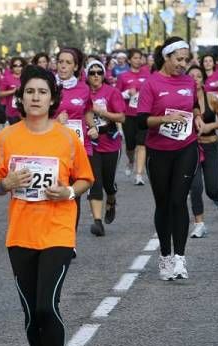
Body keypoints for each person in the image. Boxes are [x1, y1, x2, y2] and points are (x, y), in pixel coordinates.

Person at [0, 65, 93, 346]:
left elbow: (85, 179)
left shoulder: (66, 138)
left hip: (57, 231)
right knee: (30, 313)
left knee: (47, 305)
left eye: (42, 92)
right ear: (21, 97)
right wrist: (5, 185)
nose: (36, 97)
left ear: (52, 98)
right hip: (21, 234)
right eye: (30, 91)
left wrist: (69, 193)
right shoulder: (7, 138)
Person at [137, 37, 204, 281]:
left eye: (186, 60)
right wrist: (164, 120)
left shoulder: (188, 81)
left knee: (179, 201)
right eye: (178, 59)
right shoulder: (151, 84)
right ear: (166, 57)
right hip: (159, 150)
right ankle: (165, 256)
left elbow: (194, 105)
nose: (183, 64)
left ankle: (180, 259)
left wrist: (196, 116)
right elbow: (141, 120)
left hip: (185, 147)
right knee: (163, 204)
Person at [54, 47, 97, 238]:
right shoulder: (48, 87)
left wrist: (92, 125)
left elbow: (87, 110)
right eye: (60, 62)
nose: (63, 66)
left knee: (74, 194)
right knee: (56, 192)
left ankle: (69, 239)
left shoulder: (84, 88)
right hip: (54, 147)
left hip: (80, 145)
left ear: (76, 66)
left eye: (68, 63)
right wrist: (55, 122)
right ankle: (57, 233)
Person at [186, 65, 218, 238]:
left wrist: (210, 125)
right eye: (191, 76)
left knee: (211, 189)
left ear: (203, 80)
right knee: (195, 187)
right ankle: (199, 224)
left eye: (198, 76)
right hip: (190, 148)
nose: (195, 79)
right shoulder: (181, 100)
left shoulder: (211, 98)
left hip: (211, 146)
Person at [85, 60, 126, 236]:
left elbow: (121, 118)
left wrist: (101, 112)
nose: (96, 75)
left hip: (110, 143)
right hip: (90, 144)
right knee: (94, 182)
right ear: (87, 76)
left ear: (103, 75)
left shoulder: (112, 92)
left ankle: (111, 200)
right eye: (92, 72)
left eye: (99, 72)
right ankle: (97, 222)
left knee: (108, 183)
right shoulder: (83, 92)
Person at [116, 48, 149, 184]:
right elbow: (116, 96)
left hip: (143, 114)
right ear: (129, 60)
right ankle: (130, 161)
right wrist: (126, 93)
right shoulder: (123, 76)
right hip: (128, 114)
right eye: (135, 58)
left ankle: (139, 175)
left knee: (142, 144)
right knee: (130, 146)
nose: (138, 60)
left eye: (139, 58)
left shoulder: (148, 74)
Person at [0, 57, 26, 125]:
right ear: (12, 67)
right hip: (12, 113)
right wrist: (13, 91)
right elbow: (0, 94)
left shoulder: (27, 78)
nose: (17, 67)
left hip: (25, 111)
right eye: (15, 66)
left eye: (20, 66)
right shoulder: (7, 78)